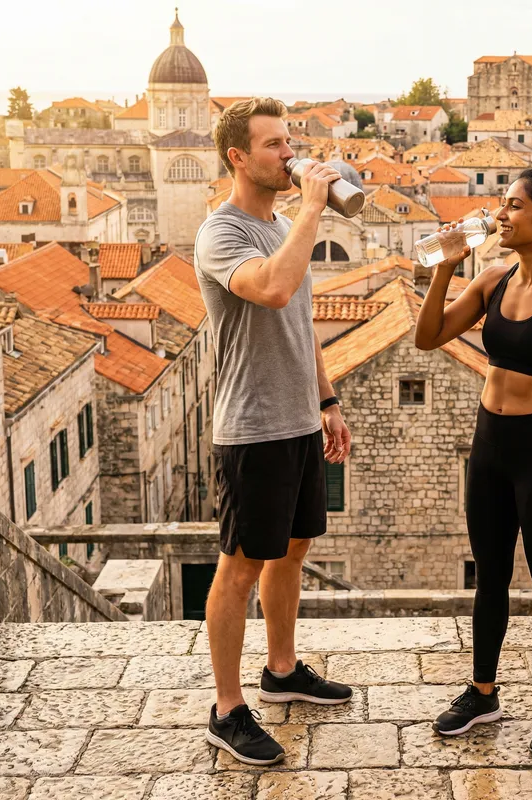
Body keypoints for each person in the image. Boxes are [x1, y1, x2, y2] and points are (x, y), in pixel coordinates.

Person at [415, 168, 532, 756]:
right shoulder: (493, 278)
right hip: (489, 445)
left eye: (514, 206)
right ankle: (483, 692)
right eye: (503, 204)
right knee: (490, 574)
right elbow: (428, 336)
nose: (501, 215)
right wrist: (445, 267)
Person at [194, 98, 354, 766]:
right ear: (238, 157)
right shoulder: (220, 233)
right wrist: (314, 207)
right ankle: (227, 710)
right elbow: (273, 291)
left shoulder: (284, 225)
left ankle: (282, 671)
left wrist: (328, 400)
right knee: (240, 566)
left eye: (289, 142)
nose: (289, 154)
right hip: (252, 427)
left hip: (297, 420)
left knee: (292, 550)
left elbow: (301, 321)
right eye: (274, 145)